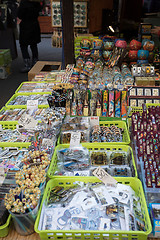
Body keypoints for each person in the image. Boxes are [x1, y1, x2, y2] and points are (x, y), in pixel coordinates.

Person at [17, 0, 42, 73]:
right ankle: (35, 61)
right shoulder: (36, 2)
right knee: (33, 44)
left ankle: (27, 64)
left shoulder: (23, 3)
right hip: (34, 25)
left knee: (23, 45)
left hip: (25, 25)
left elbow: (20, 15)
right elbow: (39, 12)